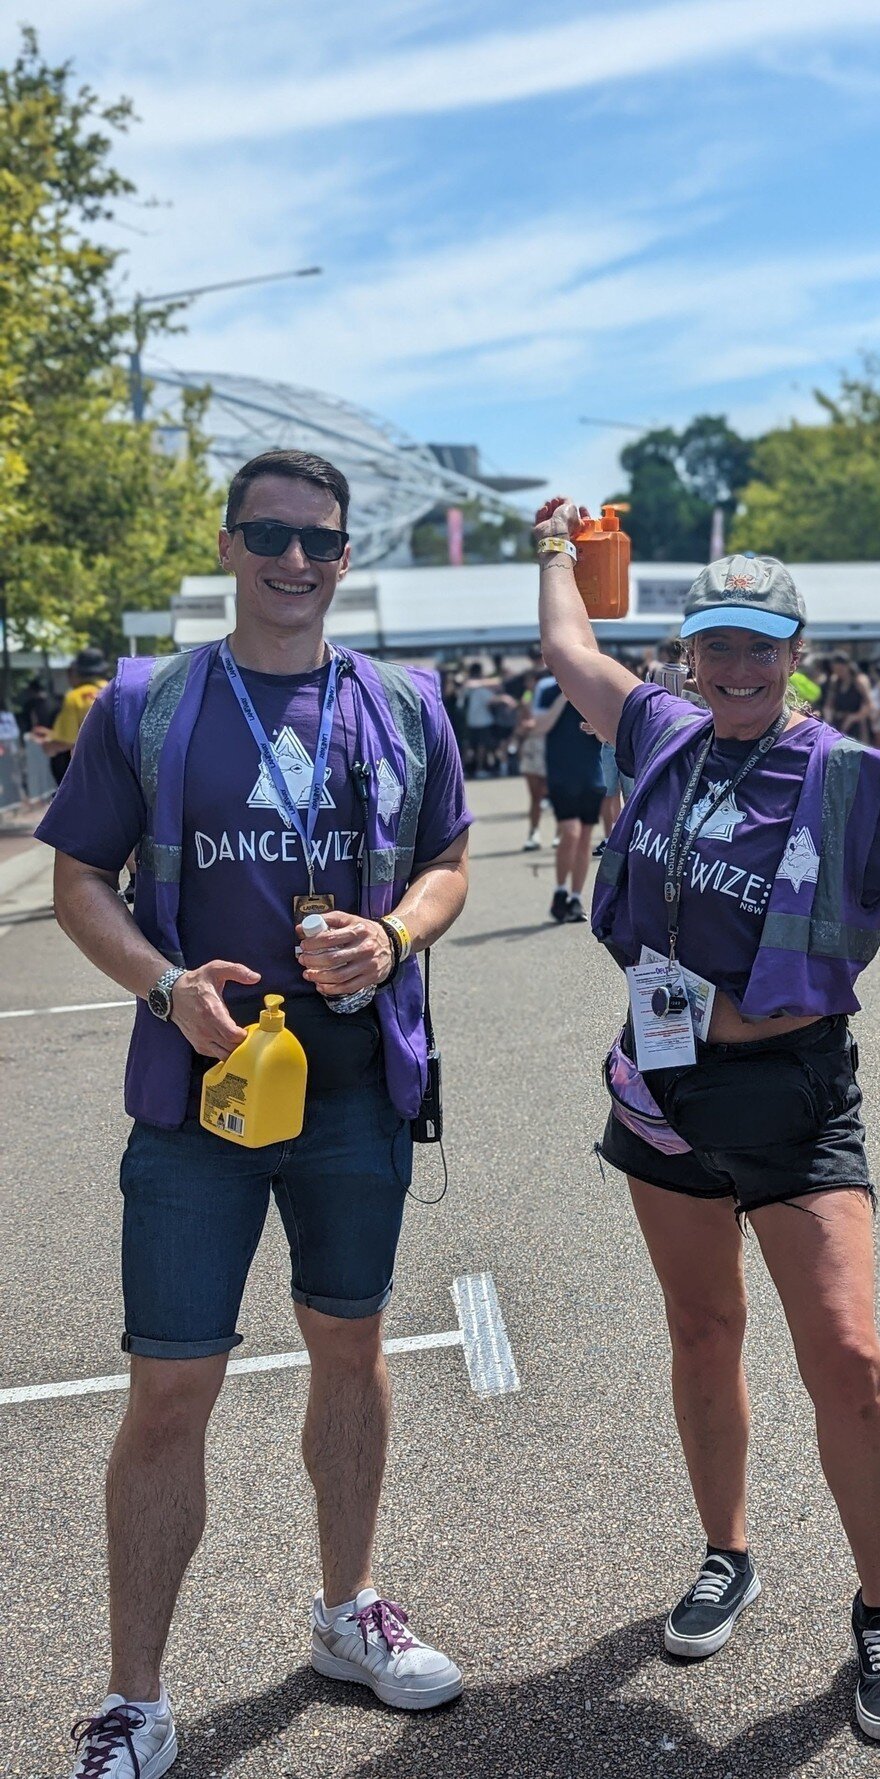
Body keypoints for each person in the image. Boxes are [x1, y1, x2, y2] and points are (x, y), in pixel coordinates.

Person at [532, 501, 880, 1744]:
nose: (739, 668)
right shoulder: (660, 729)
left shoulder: (847, 778)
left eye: (762, 645)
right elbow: (569, 654)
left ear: (793, 649)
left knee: (849, 1359)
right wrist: (555, 552)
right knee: (703, 1331)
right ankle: (728, 1552)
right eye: (718, 643)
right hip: (659, 1091)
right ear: (688, 651)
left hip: (794, 1092)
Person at [37, 449, 472, 1779]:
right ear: (230, 545)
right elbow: (77, 880)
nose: (296, 561)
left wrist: (393, 935)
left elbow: (451, 857)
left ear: (348, 557)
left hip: (353, 1085)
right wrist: (167, 985)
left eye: (321, 541)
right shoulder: (150, 702)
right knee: (171, 1385)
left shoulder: (404, 702)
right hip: (197, 1092)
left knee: (351, 1346)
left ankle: (349, 1611)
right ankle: (136, 1695)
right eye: (271, 535)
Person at [532, 661, 604, 922]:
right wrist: (565, 696)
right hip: (561, 773)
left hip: (592, 772)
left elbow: (606, 736)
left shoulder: (593, 691)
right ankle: (560, 890)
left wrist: (597, 729)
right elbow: (540, 726)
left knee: (585, 835)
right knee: (571, 833)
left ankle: (576, 897)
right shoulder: (546, 689)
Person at [31, 645, 110, 783]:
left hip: (89, 774)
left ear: (77, 671)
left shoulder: (75, 697)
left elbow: (67, 740)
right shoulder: (116, 690)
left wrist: (48, 745)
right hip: (120, 770)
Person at [513, 669, 550, 851]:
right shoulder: (528, 697)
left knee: (556, 794)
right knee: (535, 794)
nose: (528, 685)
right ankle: (534, 832)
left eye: (531, 681)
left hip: (551, 746)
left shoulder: (554, 695)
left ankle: (559, 834)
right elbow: (522, 722)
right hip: (532, 746)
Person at [822, 653, 872, 743]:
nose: (838, 672)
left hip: (856, 724)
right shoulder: (835, 681)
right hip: (838, 722)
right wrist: (828, 720)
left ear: (848, 666)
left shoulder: (859, 681)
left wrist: (852, 718)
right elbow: (829, 704)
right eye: (835, 669)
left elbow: (868, 704)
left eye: (840, 669)